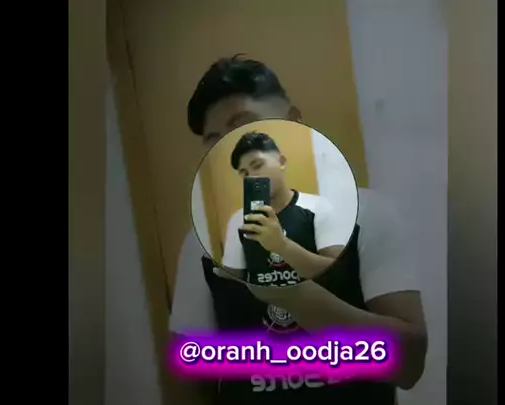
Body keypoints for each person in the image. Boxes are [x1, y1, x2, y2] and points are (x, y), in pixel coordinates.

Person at [169, 55, 428, 405]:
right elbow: (188, 374)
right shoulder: (206, 242)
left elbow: (409, 364)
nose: (233, 148)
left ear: (293, 122)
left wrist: (293, 295)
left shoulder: (367, 215)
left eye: (244, 127)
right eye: (216, 141)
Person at [222, 131, 351, 325]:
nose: (253, 176)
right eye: (245, 173)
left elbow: (337, 274)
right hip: (262, 333)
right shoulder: (238, 221)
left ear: (281, 161)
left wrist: (282, 246)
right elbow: (231, 285)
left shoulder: (318, 207)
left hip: (318, 328)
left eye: (257, 165)